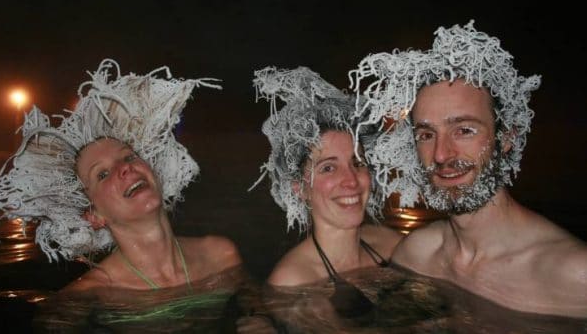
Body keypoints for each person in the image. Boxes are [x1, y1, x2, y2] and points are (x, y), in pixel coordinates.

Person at [351, 21, 587, 317]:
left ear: (506, 138)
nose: (441, 154)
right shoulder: (417, 256)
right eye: (426, 134)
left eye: (463, 130)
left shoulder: (572, 275)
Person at [0, 59, 241, 292]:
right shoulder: (90, 295)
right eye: (102, 174)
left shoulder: (221, 254)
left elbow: (251, 306)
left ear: (156, 174)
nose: (125, 168)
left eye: (129, 157)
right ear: (94, 216)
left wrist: (255, 319)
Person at [249, 66, 402, 326]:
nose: (351, 180)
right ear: (300, 188)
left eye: (357, 163)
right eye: (328, 168)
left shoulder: (390, 244)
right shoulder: (293, 281)